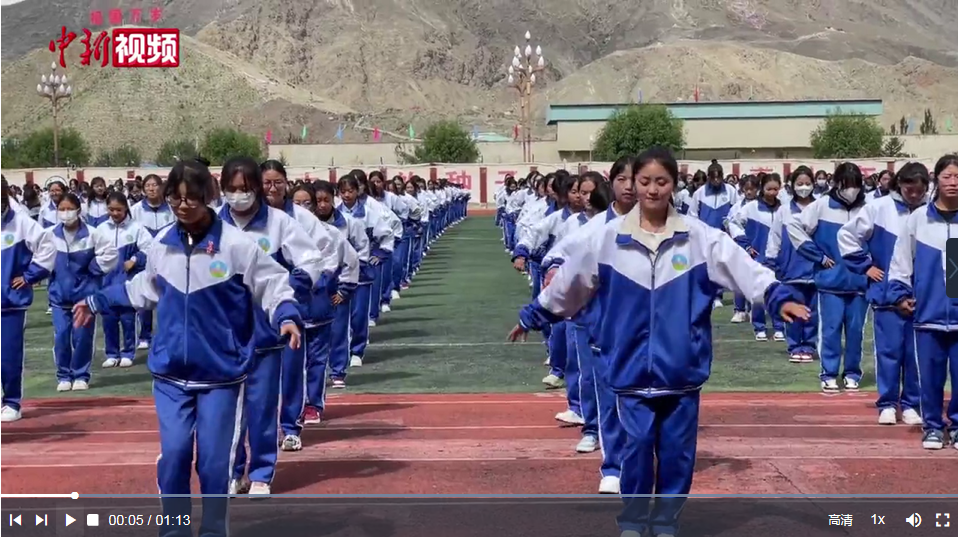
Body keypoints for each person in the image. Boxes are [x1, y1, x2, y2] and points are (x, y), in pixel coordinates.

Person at [508, 147, 809, 536]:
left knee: (677, 455)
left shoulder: (699, 238)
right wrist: (533, 316)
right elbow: (569, 285)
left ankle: (666, 520)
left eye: (661, 181)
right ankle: (634, 520)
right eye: (645, 181)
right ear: (634, 184)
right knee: (635, 449)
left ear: (674, 185)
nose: (652, 189)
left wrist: (778, 297)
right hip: (629, 368)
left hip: (681, 370)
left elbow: (745, 270)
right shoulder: (607, 239)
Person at [73, 158, 303, 537]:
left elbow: (273, 283)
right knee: (176, 455)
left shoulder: (235, 246)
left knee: (213, 463)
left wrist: (287, 315)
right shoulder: (163, 244)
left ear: (207, 196)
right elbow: (144, 288)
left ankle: (213, 529)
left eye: (191, 198)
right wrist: (97, 301)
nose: (182, 206)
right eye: (175, 198)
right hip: (170, 376)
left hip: (220, 376)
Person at [217, 157, 327, 494]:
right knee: (225, 410)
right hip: (223, 333)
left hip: (265, 331)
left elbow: (312, 260)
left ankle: (261, 473)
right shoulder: (212, 223)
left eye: (245, 188)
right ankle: (233, 472)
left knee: (262, 407)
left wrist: (289, 287)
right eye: (232, 189)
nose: (239, 195)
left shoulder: (279, 223)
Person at [887, 154, 958, 450]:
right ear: (936, 180)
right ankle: (932, 426)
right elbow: (901, 261)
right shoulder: (918, 219)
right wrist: (900, 296)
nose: (953, 182)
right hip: (927, 315)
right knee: (929, 378)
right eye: (947, 176)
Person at [786, 163, 868, 393]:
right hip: (830, 283)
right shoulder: (821, 206)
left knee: (856, 332)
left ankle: (852, 373)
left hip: (860, 283)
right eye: (846, 185)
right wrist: (818, 256)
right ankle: (829, 373)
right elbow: (793, 226)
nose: (851, 190)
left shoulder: (868, 208)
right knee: (830, 330)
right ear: (836, 184)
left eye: (855, 185)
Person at [49, 192, 119, 391]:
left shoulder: (93, 234)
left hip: (85, 297)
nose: (65, 213)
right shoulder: (50, 235)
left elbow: (111, 255)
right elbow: (41, 257)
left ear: (78, 210)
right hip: (59, 297)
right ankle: (64, 375)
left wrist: (93, 269)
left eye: (69, 209)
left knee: (82, 337)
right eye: (61, 209)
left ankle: (80, 375)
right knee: (61, 337)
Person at [1, 178, 56, 422]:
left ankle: (11, 402)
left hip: (10, 304)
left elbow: (48, 246)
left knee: (8, 356)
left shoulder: (21, 222)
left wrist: (29, 275)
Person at [314, 179, 370, 387]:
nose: (322, 205)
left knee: (338, 329)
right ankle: (316, 373)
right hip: (312, 287)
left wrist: (345, 287)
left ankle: (338, 370)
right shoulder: (303, 226)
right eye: (317, 201)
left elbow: (357, 254)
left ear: (333, 199)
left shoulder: (348, 223)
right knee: (315, 333)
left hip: (337, 285)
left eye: (326, 200)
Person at [765, 166, 819, 363]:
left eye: (807, 183)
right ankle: (795, 346)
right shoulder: (784, 210)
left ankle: (809, 346)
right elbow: (775, 237)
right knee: (793, 308)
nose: (804, 187)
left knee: (813, 312)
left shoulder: (820, 207)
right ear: (792, 185)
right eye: (799, 183)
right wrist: (771, 261)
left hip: (816, 269)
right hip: (790, 268)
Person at [96, 192, 154, 368]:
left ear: (126, 209)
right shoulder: (101, 229)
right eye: (111, 209)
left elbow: (150, 248)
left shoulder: (136, 228)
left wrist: (134, 260)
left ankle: (128, 352)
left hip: (128, 283)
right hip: (106, 283)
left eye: (119, 210)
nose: (115, 213)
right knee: (108, 319)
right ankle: (112, 354)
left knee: (128, 319)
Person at [728, 174, 785, 341]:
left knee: (778, 293)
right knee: (758, 295)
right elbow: (733, 223)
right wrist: (746, 245)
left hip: (778, 259)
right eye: (769, 189)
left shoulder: (784, 208)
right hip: (757, 258)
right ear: (762, 189)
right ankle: (759, 327)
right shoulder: (750, 208)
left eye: (775, 189)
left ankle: (779, 327)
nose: (772, 192)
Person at [131, 174, 176, 350]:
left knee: (169, 296)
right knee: (145, 293)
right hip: (145, 259)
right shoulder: (135, 210)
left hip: (168, 257)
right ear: (143, 189)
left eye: (155, 185)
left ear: (161, 187)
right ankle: (145, 335)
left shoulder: (171, 208)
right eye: (148, 186)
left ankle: (167, 333)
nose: (151, 188)